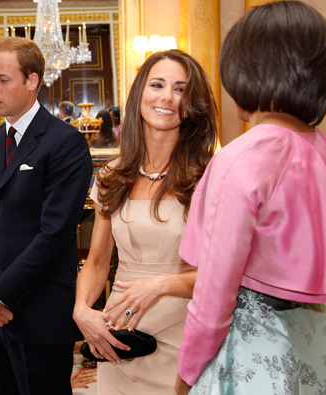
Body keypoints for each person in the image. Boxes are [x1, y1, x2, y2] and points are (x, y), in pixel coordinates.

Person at [175, 2, 326, 394]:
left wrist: (186, 377)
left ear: (248, 70)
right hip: (319, 351)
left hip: (254, 359)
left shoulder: (243, 157)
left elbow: (213, 297)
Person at [73, 49, 217, 394]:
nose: (167, 96)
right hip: (119, 338)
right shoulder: (112, 175)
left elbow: (224, 274)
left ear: (192, 103)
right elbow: (96, 262)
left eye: (180, 89)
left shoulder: (210, 176)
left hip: (184, 336)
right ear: (140, 93)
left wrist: (159, 285)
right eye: (157, 84)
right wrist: (81, 311)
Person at [0, 37, 93, 395]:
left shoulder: (65, 143)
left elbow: (54, 234)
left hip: (39, 313)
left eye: (3, 79)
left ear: (32, 81)